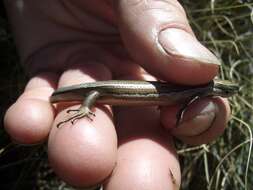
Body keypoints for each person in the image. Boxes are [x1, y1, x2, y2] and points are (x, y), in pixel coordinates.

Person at [3, 1, 231, 189]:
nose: (225, 93)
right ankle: (84, 108)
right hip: (97, 91)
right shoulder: (194, 90)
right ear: (215, 89)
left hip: (104, 87)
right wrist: (84, 107)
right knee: (91, 102)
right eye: (225, 90)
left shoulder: (193, 93)